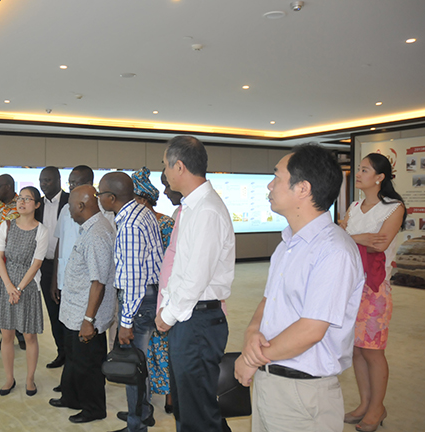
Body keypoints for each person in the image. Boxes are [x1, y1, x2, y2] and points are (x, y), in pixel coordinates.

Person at [233, 144, 365, 432]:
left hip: (303, 393)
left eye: (276, 177)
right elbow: (269, 300)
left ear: (303, 188)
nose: (269, 186)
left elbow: (311, 329)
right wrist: (252, 332)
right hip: (271, 378)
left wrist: (251, 358)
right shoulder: (288, 244)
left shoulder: (334, 250)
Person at [154, 135, 235, 432]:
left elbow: (196, 276)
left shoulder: (207, 210)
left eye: (166, 166)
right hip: (189, 318)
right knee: (190, 407)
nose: (165, 173)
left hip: (197, 320)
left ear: (179, 166)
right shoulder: (192, 207)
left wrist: (168, 314)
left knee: (197, 414)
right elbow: (180, 267)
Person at [340, 153, 405, 432]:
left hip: (375, 288)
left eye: (365, 170)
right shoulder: (354, 207)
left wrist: (351, 238)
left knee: (373, 350)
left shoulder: (393, 207)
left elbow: (379, 245)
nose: (358, 173)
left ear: (380, 177)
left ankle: (377, 407)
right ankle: (365, 404)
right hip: (350, 285)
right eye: (359, 169)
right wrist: (358, 239)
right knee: (357, 349)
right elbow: (338, 239)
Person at [98, 172, 163, 432]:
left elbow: (135, 279)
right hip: (149, 296)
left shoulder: (130, 227)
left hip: (139, 301)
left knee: (131, 364)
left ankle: (136, 426)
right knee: (140, 361)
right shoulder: (141, 211)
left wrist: (126, 322)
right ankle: (143, 411)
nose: (98, 198)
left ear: (111, 198)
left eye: (100, 194)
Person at [48, 185, 116, 424]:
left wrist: (88, 320)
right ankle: (72, 397)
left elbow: (99, 282)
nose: (68, 210)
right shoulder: (89, 228)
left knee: (88, 364)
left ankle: (93, 408)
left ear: (81, 205)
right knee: (74, 358)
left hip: (86, 315)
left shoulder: (97, 234)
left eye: (70, 206)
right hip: (74, 310)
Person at [0, 186, 48, 396]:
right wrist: (9, 286)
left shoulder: (41, 231)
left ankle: (30, 379)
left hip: (28, 286)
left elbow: (36, 263)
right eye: (20, 198)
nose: (21, 202)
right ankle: (9, 378)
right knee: (7, 335)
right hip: (6, 284)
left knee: (29, 336)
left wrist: (19, 288)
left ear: (37, 204)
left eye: (27, 199)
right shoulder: (6, 225)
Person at [130, 167, 175, 416]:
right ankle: (145, 399)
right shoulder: (132, 222)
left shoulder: (166, 224)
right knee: (145, 349)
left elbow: (173, 262)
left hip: (162, 293)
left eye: (133, 198)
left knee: (163, 346)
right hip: (142, 293)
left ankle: (170, 395)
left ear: (144, 199)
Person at [0, 174, 25, 350]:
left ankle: (22, 336)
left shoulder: (22, 205)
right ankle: (5, 337)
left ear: (8, 186)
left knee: (16, 298)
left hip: (13, 261)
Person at [35, 166, 69, 369]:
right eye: (41, 180)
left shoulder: (69, 201)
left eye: (47, 180)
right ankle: (61, 352)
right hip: (46, 265)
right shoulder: (37, 204)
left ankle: (73, 353)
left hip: (68, 265)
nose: (44, 184)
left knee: (69, 311)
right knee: (53, 310)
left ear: (58, 180)